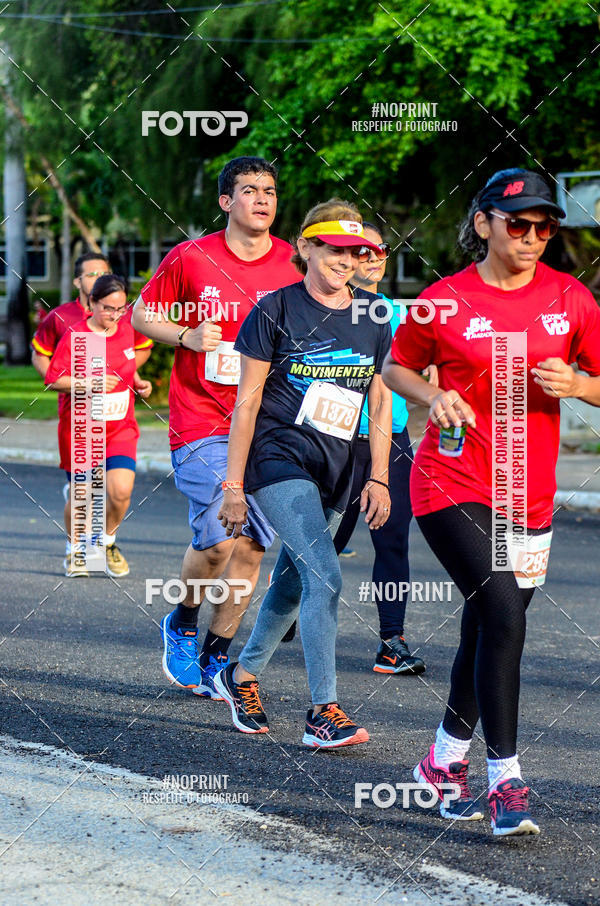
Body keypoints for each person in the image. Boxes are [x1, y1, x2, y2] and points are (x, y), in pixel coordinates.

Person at [382, 168, 600, 835]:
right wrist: (431, 395)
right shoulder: (444, 300)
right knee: (504, 612)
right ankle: (506, 779)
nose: (533, 237)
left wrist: (581, 385)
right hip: (453, 482)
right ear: (483, 224)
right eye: (519, 224)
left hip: (528, 493)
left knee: (488, 626)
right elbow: (395, 366)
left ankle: (443, 763)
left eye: (545, 227)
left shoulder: (572, 299)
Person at [215, 200, 392, 748]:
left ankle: (239, 674)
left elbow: (380, 401)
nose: (346, 259)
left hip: (340, 465)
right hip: (278, 457)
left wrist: (380, 476)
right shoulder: (274, 310)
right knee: (325, 577)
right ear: (306, 247)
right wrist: (235, 484)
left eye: (355, 251)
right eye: (334, 249)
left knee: (295, 580)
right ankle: (323, 712)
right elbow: (246, 404)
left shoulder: (375, 314)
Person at [132, 157, 298, 698]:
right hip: (202, 419)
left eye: (269, 191)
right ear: (226, 202)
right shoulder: (192, 256)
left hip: (269, 422)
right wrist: (185, 335)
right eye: (249, 191)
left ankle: (216, 655)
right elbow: (141, 315)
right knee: (219, 540)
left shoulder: (295, 264)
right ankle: (182, 621)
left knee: (252, 547)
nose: (262, 200)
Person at [332, 221, 430, 676]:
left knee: (392, 541)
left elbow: (416, 374)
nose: (372, 258)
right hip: (332, 441)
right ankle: (287, 599)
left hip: (392, 439)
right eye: (361, 251)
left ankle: (393, 642)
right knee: (327, 541)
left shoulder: (396, 312)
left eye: (379, 250)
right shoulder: (322, 306)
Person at [31, 252, 153, 567]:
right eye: (90, 274)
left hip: (120, 425)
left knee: (120, 491)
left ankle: (106, 541)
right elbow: (48, 369)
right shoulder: (66, 323)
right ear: (80, 284)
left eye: (119, 307)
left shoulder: (126, 323)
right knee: (82, 495)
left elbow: (130, 357)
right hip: (80, 422)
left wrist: (133, 380)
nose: (114, 313)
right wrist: (87, 384)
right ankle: (76, 549)